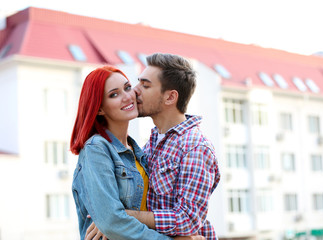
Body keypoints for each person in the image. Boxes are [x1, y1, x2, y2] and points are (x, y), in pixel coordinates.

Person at [70, 66, 203, 240]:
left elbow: (159, 210)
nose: (127, 97)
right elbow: (111, 222)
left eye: (127, 88)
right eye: (114, 94)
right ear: (100, 108)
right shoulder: (97, 149)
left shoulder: (140, 152)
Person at [126, 53, 221, 239]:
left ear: (170, 97)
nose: (135, 90)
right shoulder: (153, 141)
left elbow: (188, 219)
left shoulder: (195, 147)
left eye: (145, 85)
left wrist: (124, 218)